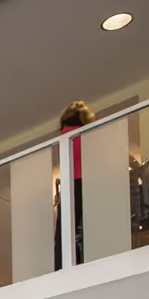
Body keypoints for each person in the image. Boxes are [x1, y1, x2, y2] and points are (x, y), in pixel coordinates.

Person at [55, 101, 94, 268]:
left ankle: (63, 266)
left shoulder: (64, 136)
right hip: (89, 183)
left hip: (71, 185)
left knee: (65, 232)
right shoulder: (89, 135)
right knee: (86, 227)